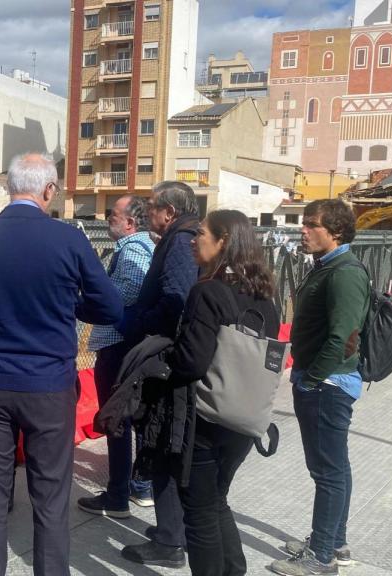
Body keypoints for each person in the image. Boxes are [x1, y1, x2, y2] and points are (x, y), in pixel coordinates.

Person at [0, 153, 121, 576]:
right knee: (51, 495)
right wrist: (68, 303)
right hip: (49, 385)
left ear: (9, 188)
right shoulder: (70, 239)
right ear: (49, 190)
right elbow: (110, 306)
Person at [166, 210, 279, 576]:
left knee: (198, 513)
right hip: (246, 421)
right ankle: (234, 569)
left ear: (223, 241)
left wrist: (166, 354)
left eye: (200, 233)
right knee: (216, 500)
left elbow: (192, 363)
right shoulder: (265, 299)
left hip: (207, 420)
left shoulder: (207, 292)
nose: (192, 239)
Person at [270, 199, 370, 576]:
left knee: (327, 472)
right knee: (334, 468)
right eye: (304, 223)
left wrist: (311, 381)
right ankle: (333, 540)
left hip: (327, 384)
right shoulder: (326, 266)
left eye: (312, 225)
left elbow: (342, 336)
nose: (304, 230)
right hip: (322, 381)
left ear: (337, 231)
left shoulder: (344, 272)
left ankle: (322, 557)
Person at [119, 181, 201, 569]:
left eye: (151, 207)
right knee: (165, 444)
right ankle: (172, 530)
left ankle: (170, 541)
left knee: (165, 445)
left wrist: (140, 322)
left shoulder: (181, 243)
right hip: (170, 355)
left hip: (168, 361)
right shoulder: (184, 239)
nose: (145, 213)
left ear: (169, 212)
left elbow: (177, 303)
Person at [77, 195, 156, 518]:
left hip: (118, 346)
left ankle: (118, 494)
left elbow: (127, 293)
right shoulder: (141, 247)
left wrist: (90, 294)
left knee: (117, 419)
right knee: (131, 418)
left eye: (114, 214)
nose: (109, 218)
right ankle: (139, 485)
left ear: (131, 223)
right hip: (129, 345)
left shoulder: (133, 250)